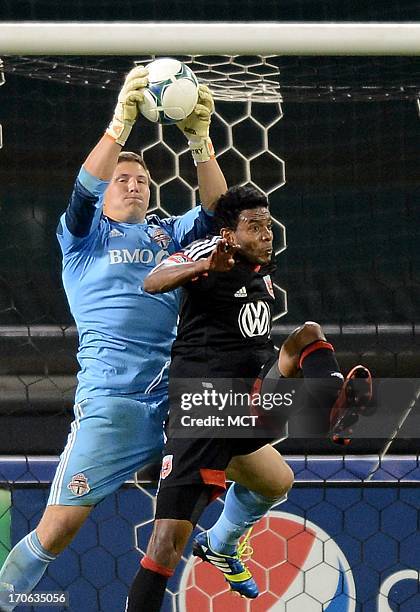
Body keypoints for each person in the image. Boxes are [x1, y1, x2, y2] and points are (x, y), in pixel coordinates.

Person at [0, 66, 227, 611]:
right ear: (105, 195)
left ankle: (225, 540)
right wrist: (121, 125)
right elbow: (82, 193)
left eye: (142, 179)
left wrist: (201, 141)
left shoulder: (168, 233)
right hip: (114, 405)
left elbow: (223, 216)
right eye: (122, 179)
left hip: (177, 396)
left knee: (269, 468)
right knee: (56, 532)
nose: (134, 183)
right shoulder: (82, 239)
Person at [126, 185, 371, 611]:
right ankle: (325, 405)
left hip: (248, 402)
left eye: (268, 226)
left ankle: (221, 542)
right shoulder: (210, 251)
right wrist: (203, 264)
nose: (266, 234)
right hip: (203, 410)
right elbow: (153, 280)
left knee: (305, 337)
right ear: (228, 234)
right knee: (165, 545)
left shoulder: (261, 272)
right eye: (253, 227)